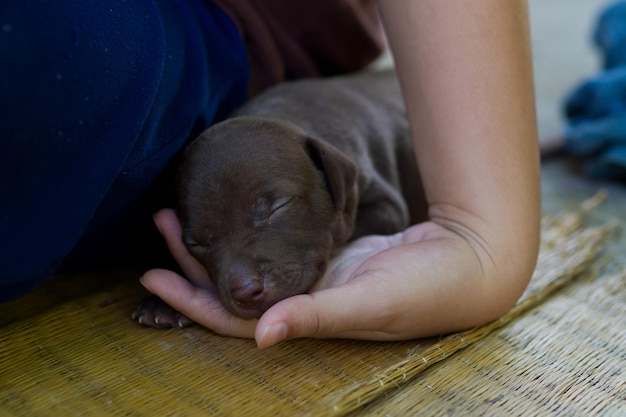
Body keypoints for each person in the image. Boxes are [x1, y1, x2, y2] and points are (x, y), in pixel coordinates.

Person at [1, 1, 540, 349]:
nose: (239, 281)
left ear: (336, 178)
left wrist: (482, 235)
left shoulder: (338, 154)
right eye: (202, 245)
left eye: (273, 209)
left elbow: (385, 209)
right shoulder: (240, 173)